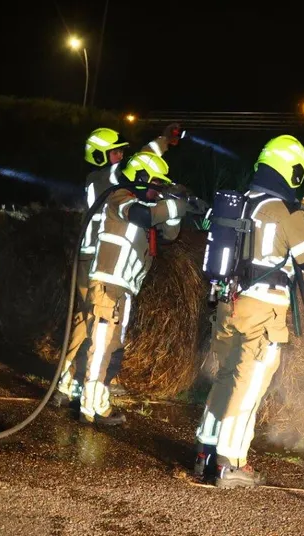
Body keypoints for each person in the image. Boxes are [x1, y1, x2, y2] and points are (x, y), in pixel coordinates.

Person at [194, 135, 304, 488]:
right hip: (263, 311)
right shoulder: (284, 212)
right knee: (250, 384)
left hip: (229, 305)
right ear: (289, 170)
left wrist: (302, 212)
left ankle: (205, 453)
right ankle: (230, 462)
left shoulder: (244, 202)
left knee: (227, 377)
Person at [71, 151, 187, 425]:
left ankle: (98, 402)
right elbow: (142, 216)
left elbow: (169, 235)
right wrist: (174, 206)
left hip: (123, 290)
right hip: (108, 285)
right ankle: (89, 407)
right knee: (100, 346)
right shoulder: (120, 197)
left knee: (113, 347)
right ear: (141, 177)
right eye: (155, 184)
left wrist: (176, 205)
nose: (156, 190)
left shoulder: (147, 207)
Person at [54, 128, 129, 406]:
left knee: (86, 318)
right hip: (96, 258)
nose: (121, 156)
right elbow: (131, 180)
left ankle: (69, 380)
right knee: (94, 320)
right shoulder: (105, 180)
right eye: (115, 152)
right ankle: (76, 382)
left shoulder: (100, 180)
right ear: (100, 156)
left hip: (92, 257)